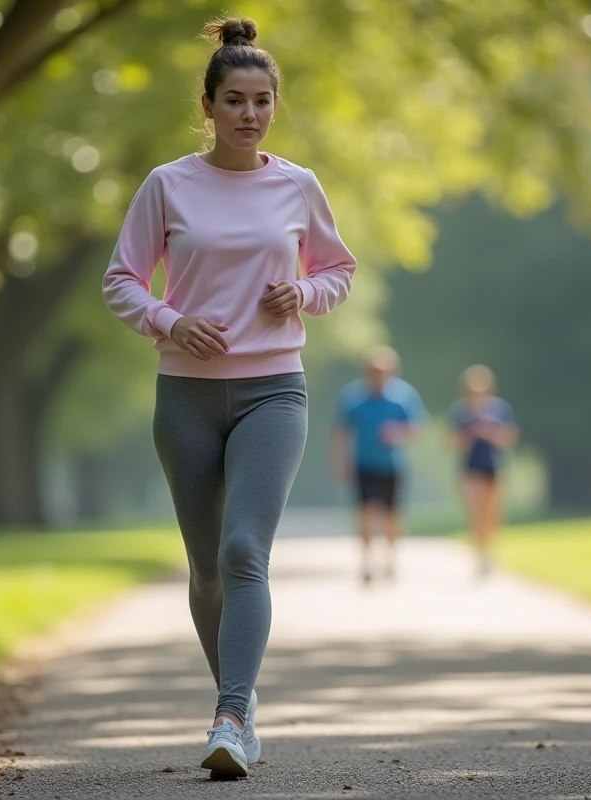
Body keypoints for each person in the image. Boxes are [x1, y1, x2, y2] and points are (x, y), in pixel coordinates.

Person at [101, 17, 356, 779]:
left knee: (244, 550)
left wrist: (304, 291)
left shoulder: (298, 186)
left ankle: (232, 716)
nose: (249, 114)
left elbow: (340, 269)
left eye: (262, 100)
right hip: (184, 396)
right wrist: (170, 321)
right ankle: (236, 708)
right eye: (235, 100)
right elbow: (120, 279)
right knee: (207, 569)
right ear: (207, 106)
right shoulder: (168, 184)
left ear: (275, 106)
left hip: (275, 391)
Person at [332, 346, 427, 584]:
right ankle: (367, 562)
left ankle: (391, 560)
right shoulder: (354, 396)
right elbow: (340, 432)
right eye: (374, 371)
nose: (379, 376)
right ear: (366, 372)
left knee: (392, 515)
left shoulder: (404, 396)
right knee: (366, 512)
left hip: (393, 465)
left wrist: (399, 432)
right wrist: (341, 462)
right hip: (364, 464)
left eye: (384, 371)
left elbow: (419, 429)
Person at [450, 365, 518, 577]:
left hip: (494, 465)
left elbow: (510, 437)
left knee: (492, 513)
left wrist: (489, 432)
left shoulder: (499, 409)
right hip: (471, 467)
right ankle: (479, 554)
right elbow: (453, 442)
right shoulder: (461, 411)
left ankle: (490, 551)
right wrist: (470, 434)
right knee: (476, 511)